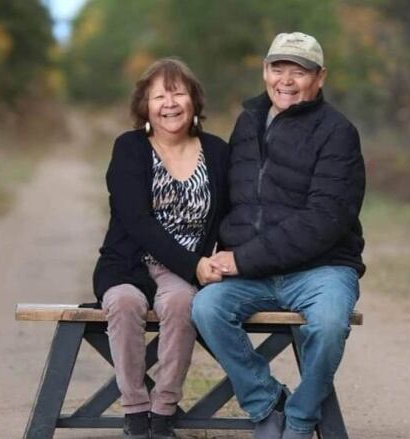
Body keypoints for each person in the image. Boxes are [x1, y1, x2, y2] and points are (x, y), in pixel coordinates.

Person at [191, 32, 366, 439]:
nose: (286, 80)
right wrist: (206, 258)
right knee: (205, 309)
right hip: (251, 272)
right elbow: (228, 198)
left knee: (327, 323)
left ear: (320, 77)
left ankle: (302, 418)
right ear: (265, 71)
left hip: (320, 269)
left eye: (299, 71)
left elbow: (324, 220)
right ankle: (266, 405)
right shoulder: (248, 120)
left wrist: (242, 259)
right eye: (277, 68)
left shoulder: (338, 132)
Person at [92, 58, 229, 439]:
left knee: (182, 304)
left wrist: (223, 258)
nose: (170, 104)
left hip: (183, 271)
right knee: (124, 303)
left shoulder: (217, 152)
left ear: (194, 101)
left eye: (178, 93)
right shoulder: (130, 148)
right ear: (145, 106)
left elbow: (232, 214)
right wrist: (194, 264)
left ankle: (163, 411)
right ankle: (136, 412)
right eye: (159, 96)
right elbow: (136, 222)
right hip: (128, 263)